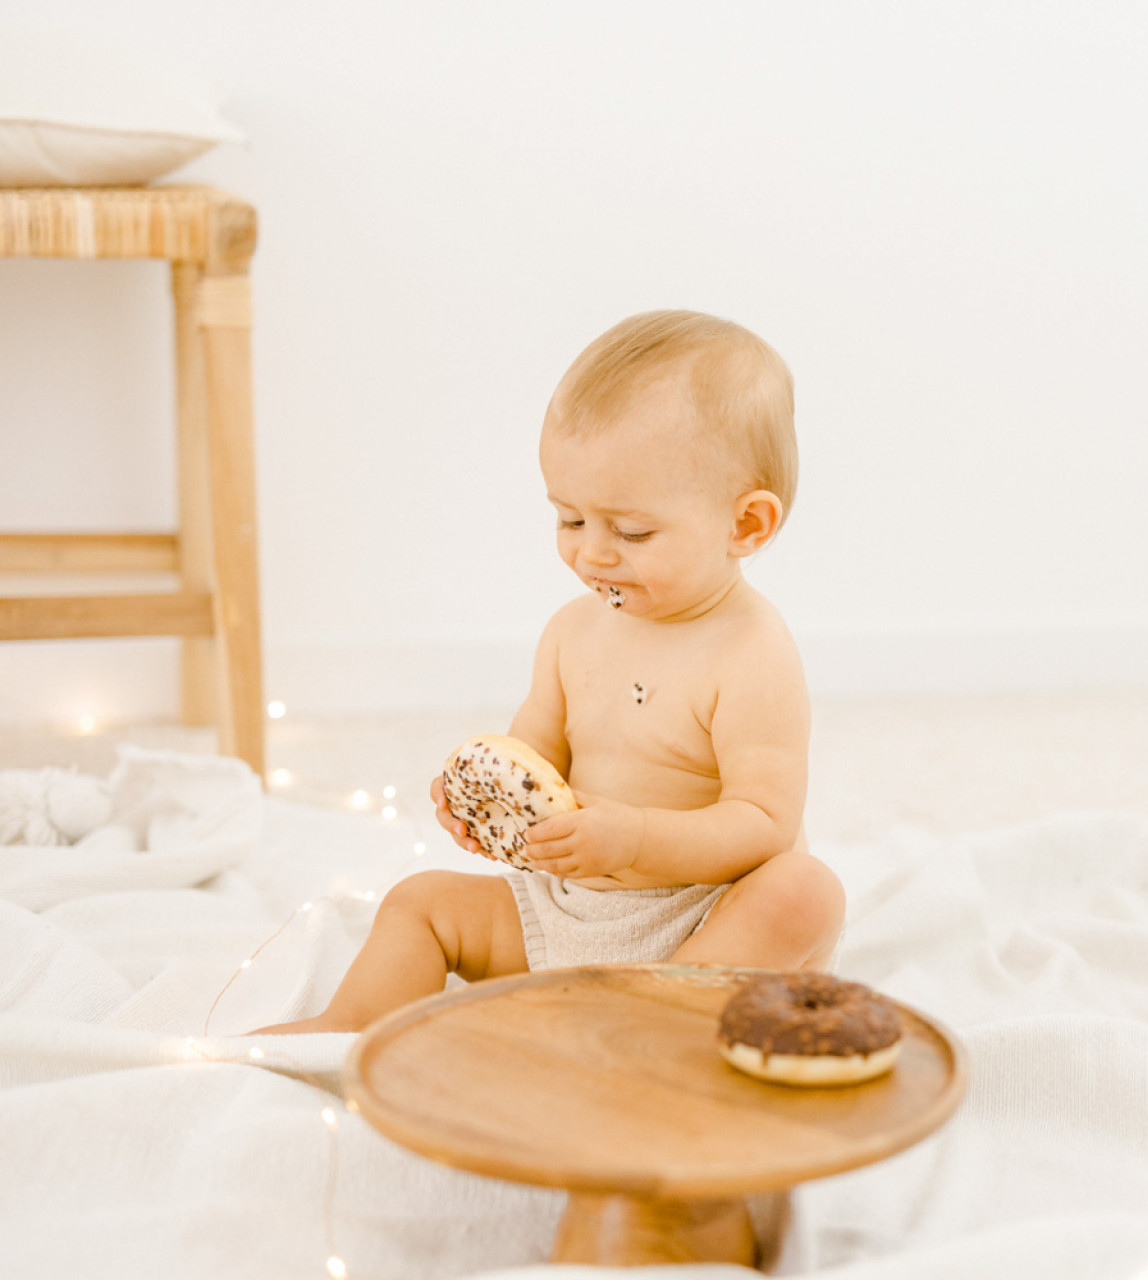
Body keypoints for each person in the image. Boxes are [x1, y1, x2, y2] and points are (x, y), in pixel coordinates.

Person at [258, 310, 844, 1033]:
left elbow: (764, 823)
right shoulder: (572, 633)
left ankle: (655, 1016)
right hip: (560, 914)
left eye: (631, 532)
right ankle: (344, 1027)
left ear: (745, 526)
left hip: (699, 923)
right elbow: (532, 756)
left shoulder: (752, 653)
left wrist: (633, 840)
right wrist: (483, 805)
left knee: (804, 893)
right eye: (569, 520)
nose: (592, 554)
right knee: (418, 901)